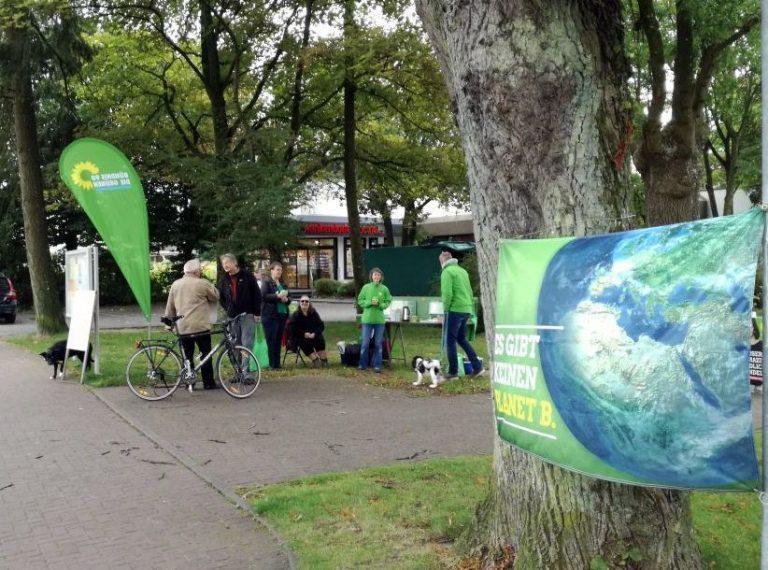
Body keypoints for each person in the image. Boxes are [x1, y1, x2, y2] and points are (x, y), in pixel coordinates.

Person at [165, 259, 220, 389]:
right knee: (205, 354)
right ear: (196, 272)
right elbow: (216, 296)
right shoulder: (202, 283)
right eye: (200, 270)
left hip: (182, 326)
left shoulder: (175, 284)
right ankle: (208, 383)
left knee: (187, 355)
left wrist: (168, 324)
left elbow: (170, 305)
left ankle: (189, 382)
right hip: (200, 326)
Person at [439, 251, 484, 380]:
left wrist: (445, 310)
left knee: (450, 341)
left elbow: (447, 293)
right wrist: (470, 309)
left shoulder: (447, 272)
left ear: (442, 261)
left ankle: (453, 372)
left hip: (455, 309)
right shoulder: (462, 271)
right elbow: (469, 291)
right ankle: (478, 367)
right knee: (461, 339)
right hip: (466, 308)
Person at [217, 253, 262, 364]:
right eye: (223, 263)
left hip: (247, 314)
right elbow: (220, 297)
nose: (225, 265)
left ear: (235, 263)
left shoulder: (247, 276)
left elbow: (257, 294)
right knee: (235, 343)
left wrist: (257, 312)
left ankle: (245, 370)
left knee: (247, 343)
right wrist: (228, 308)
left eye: (227, 262)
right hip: (232, 316)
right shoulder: (224, 279)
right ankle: (238, 369)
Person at [357, 267, 391, 373]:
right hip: (367, 320)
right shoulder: (366, 287)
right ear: (371, 276)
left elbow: (388, 301)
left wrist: (381, 305)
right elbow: (360, 300)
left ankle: (377, 365)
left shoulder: (384, 289)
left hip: (379, 321)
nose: (376, 276)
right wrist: (369, 303)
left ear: (381, 277)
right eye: (375, 275)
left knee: (378, 344)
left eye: (378, 275)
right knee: (365, 343)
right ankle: (362, 364)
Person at [261, 261, 291, 369]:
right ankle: (272, 365)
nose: (279, 272)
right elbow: (264, 296)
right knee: (271, 340)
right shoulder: (266, 282)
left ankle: (277, 364)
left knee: (278, 340)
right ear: (272, 270)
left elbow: (289, 299)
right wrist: (277, 296)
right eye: (277, 269)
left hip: (282, 315)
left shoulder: (283, 283)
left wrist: (286, 299)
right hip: (270, 316)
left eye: (281, 270)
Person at [289, 295, 328, 367]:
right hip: (301, 336)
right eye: (302, 301)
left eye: (306, 301)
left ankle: (324, 360)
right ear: (299, 303)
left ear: (309, 303)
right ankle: (315, 360)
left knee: (319, 340)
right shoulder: (295, 315)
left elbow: (321, 325)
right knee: (304, 342)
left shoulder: (313, 313)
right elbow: (292, 328)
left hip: (313, 335)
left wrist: (314, 333)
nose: (304, 302)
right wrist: (304, 334)